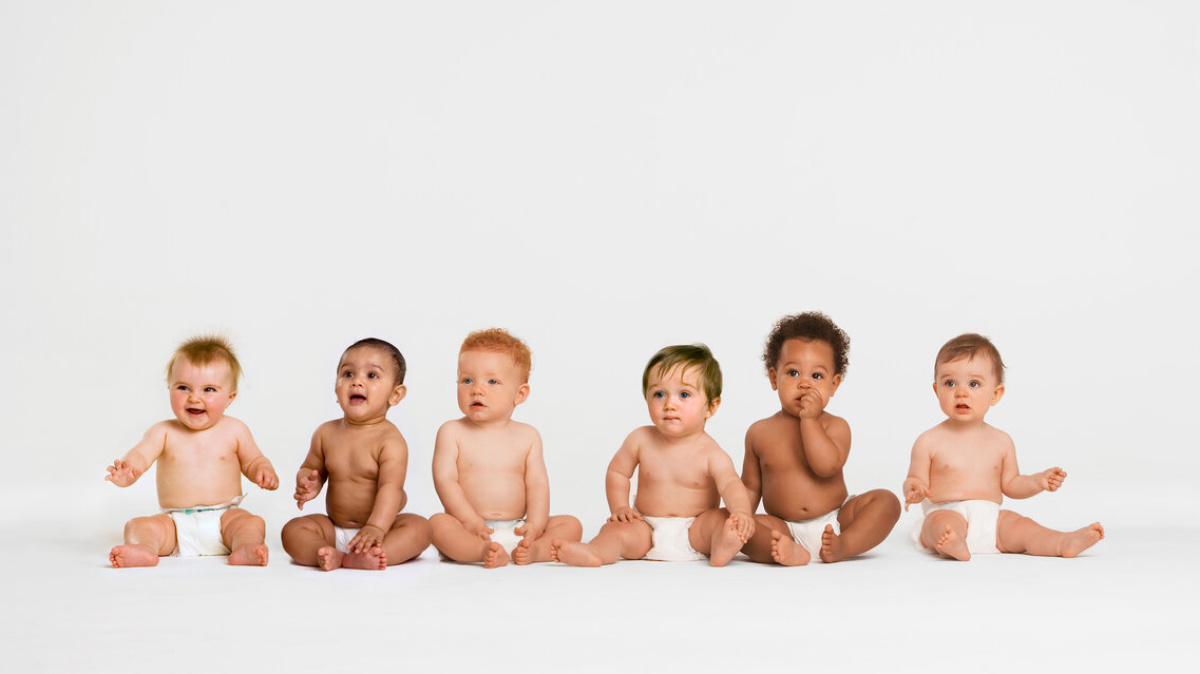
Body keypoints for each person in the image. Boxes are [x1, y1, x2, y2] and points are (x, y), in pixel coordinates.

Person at [904, 333, 1104, 560]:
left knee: (1022, 526)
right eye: (950, 383)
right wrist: (914, 489)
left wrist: (1038, 481)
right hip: (946, 511)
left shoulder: (1001, 441)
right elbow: (915, 479)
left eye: (974, 384)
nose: (961, 392)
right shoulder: (929, 441)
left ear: (995, 394)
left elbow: (1012, 484)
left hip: (990, 517)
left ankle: (1061, 542)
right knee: (938, 525)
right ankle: (953, 543)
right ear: (936, 390)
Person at [551, 344, 754, 567]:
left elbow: (731, 484)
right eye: (659, 394)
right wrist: (620, 508)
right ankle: (596, 551)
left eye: (684, 394)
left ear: (711, 407)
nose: (669, 404)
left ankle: (722, 544)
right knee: (615, 531)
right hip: (645, 526)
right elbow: (617, 472)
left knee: (720, 519)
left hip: (695, 529)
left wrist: (741, 512)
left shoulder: (712, 453)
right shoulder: (640, 439)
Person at [741, 312, 900, 565]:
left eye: (816, 376)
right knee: (741, 528)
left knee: (887, 501)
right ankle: (789, 551)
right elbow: (750, 487)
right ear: (774, 378)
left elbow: (825, 467)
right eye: (793, 373)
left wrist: (811, 421)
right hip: (783, 527)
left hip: (836, 520)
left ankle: (844, 545)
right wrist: (741, 517)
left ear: (833, 385)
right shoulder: (759, 432)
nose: (804, 384)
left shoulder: (836, 426)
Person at [107, 336, 278, 567]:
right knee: (138, 526)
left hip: (225, 518)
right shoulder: (163, 431)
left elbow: (253, 460)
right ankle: (143, 548)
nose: (194, 397)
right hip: (174, 524)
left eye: (208, 389)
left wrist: (263, 470)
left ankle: (245, 547)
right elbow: (141, 454)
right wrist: (129, 469)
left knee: (251, 523)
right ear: (169, 388)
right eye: (183, 387)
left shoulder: (235, 430)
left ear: (230, 398)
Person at [430, 328, 581, 567]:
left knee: (571, 525)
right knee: (436, 524)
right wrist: (469, 520)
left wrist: (536, 524)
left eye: (492, 382)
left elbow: (537, 484)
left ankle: (534, 550)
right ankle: (480, 552)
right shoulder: (452, 432)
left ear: (519, 394)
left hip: (518, 529)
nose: (476, 389)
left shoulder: (528, 436)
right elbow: (445, 480)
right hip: (469, 530)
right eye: (467, 380)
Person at [281, 338, 431, 570]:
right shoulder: (325, 433)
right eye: (348, 374)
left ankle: (376, 553)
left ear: (395, 395)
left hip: (382, 530)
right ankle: (325, 552)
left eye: (372, 375)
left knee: (421, 528)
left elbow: (390, 488)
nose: (357, 382)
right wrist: (308, 482)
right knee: (292, 530)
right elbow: (311, 468)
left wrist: (376, 527)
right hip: (334, 528)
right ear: (336, 388)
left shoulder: (390, 441)